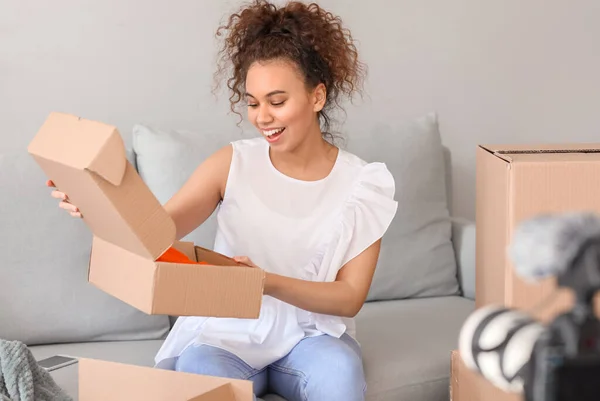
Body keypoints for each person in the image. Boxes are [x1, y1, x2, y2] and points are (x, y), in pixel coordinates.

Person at [47, 1, 398, 399]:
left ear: (317, 97)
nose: (261, 116)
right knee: (196, 370)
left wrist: (262, 283)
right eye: (252, 102)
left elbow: (349, 297)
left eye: (277, 101)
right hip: (225, 333)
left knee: (340, 370)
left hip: (308, 334)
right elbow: (154, 232)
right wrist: (97, 205)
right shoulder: (232, 163)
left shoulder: (362, 184)